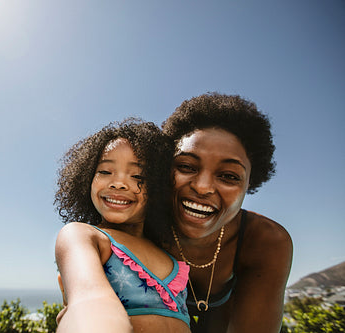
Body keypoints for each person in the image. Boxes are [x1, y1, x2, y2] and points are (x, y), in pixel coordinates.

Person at [161, 93, 293, 333]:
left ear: (249, 184)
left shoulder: (265, 240)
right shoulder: (141, 225)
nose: (202, 187)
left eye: (229, 176)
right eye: (186, 167)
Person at [54, 118, 191, 333]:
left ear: (158, 187)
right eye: (105, 172)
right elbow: (90, 305)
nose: (118, 183)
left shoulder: (171, 252)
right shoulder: (83, 236)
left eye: (138, 176)